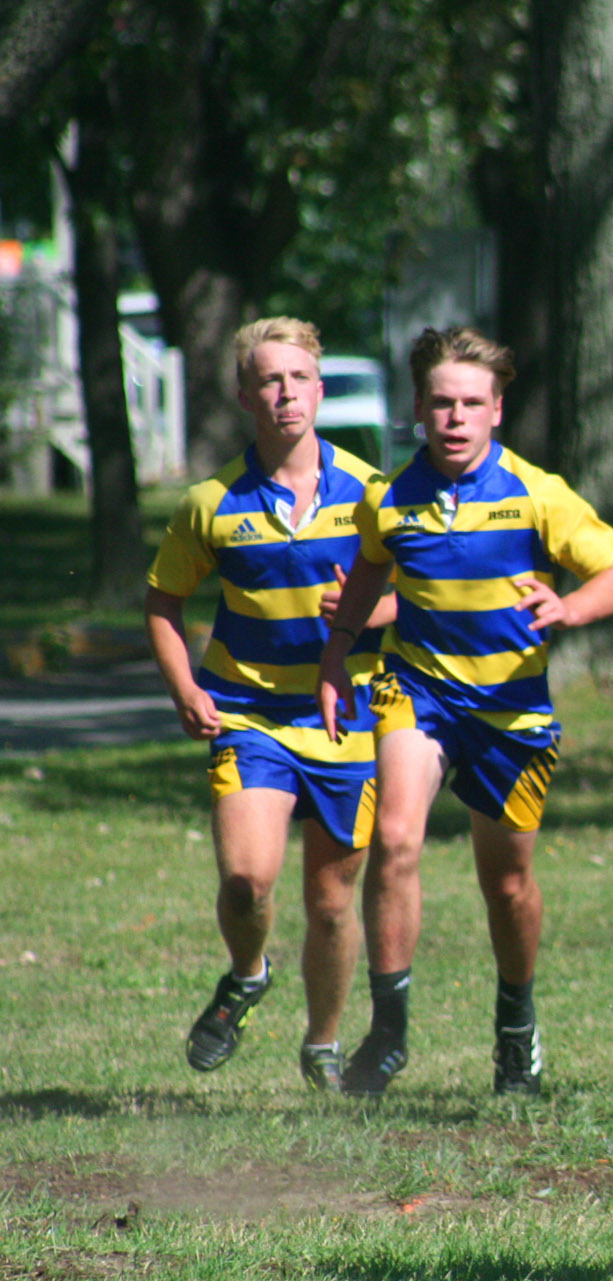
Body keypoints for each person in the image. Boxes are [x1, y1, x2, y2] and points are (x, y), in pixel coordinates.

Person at [316, 326, 613, 1096]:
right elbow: (366, 574)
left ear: (497, 409)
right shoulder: (388, 498)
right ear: (419, 410)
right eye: (441, 403)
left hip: (510, 707)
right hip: (417, 691)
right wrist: (337, 654)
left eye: (471, 403)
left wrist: (568, 606)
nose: (455, 418)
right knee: (393, 836)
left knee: (508, 884)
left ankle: (516, 1025)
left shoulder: (537, 493)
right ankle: (388, 1032)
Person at [145, 316, 397, 1091]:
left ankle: (322, 1040)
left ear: (319, 390)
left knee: (330, 902)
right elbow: (162, 600)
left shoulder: (373, 496)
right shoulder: (211, 501)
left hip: (346, 718)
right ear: (245, 393)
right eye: (268, 379)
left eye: (298, 378)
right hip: (247, 712)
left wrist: (365, 615)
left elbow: (425, 594)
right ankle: (248, 973)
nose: (285, 393)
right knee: (246, 882)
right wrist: (186, 686)